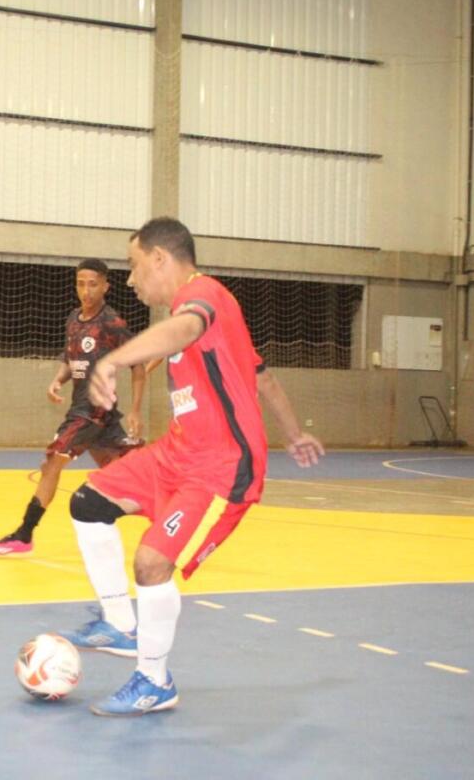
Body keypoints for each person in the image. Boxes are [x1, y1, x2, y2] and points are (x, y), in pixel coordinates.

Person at [56, 217, 325, 716]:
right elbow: (262, 378)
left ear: (160, 258)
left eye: (135, 266)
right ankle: (119, 622)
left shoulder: (203, 298)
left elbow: (185, 327)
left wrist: (112, 362)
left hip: (221, 470)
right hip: (177, 454)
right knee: (88, 503)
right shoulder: (214, 314)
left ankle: (154, 681)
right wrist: (294, 433)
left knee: (151, 564)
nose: (131, 280)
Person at [0, 258, 147, 556]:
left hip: (92, 412)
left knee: (52, 463)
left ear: (106, 286)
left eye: (93, 284)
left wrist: (136, 410)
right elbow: (71, 359)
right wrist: (58, 380)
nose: (86, 291)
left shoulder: (111, 323)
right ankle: (173, 523)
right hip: (94, 414)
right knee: (129, 478)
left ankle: (24, 535)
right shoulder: (74, 318)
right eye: (81, 284)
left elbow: (138, 364)